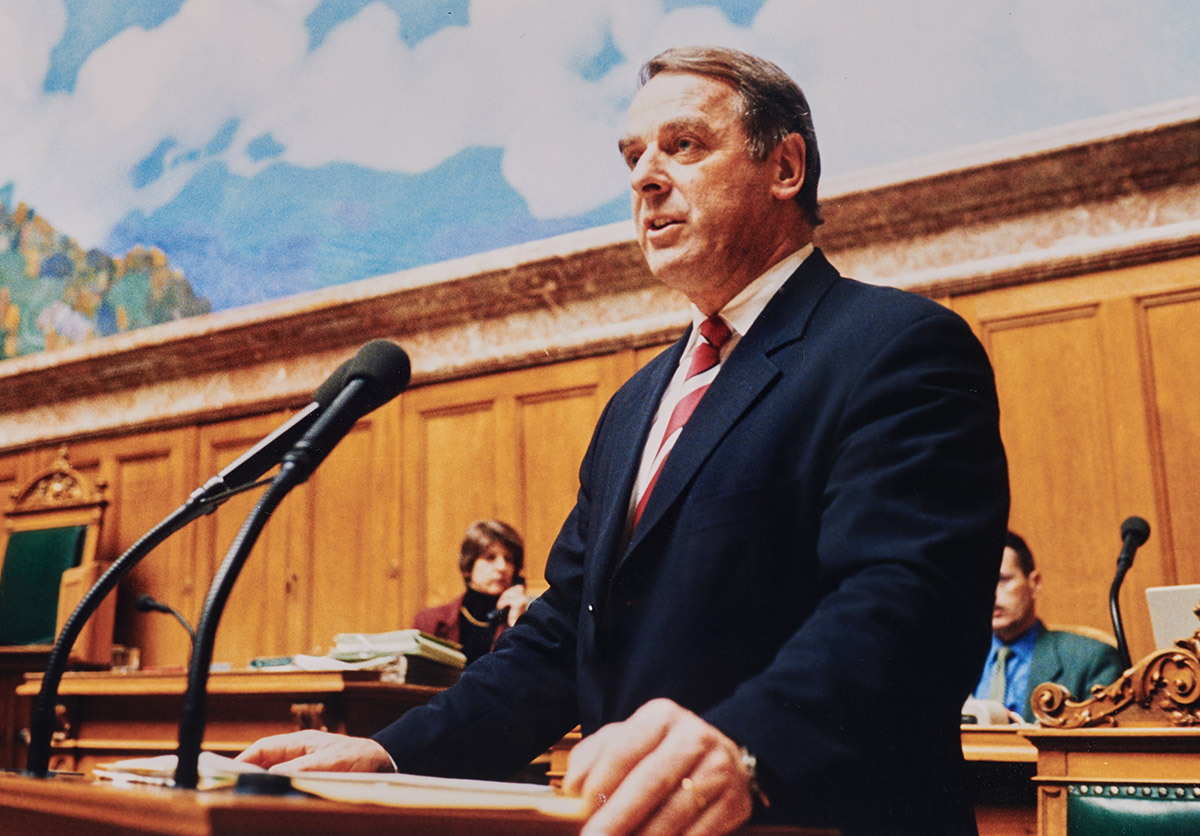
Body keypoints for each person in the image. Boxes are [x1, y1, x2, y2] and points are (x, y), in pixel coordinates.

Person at [238, 46, 1009, 835]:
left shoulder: (896, 346)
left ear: (785, 166)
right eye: (633, 157)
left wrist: (750, 747)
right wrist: (392, 758)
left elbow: (907, 601)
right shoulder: (636, 404)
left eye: (683, 146)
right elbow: (562, 636)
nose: (644, 178)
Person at [972, 531, 1124, 724]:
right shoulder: (956, 658)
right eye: (981, 584)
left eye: (1002, 580)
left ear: (1034, 583)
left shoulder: (1092, 659)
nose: (990, 594)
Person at [413, 519, 529, 663]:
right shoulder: (430, 622)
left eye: (509, 559)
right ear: (468, 566)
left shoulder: (525, 622)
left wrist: (518, 624)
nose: (502, 567)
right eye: (490, 557)